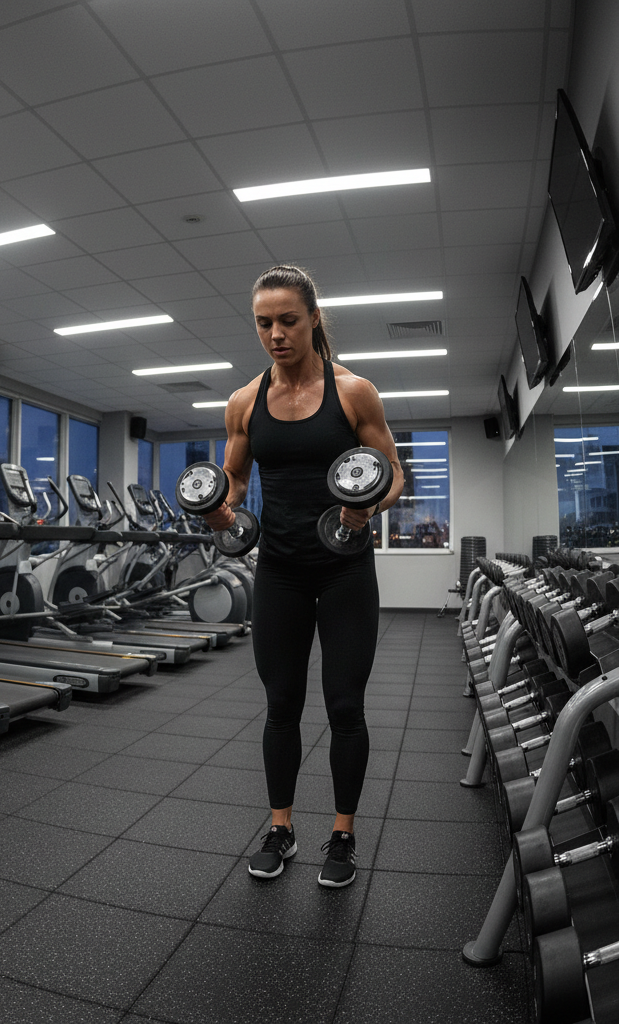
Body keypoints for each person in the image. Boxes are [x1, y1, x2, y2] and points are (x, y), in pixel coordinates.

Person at [202, 265, 404, 888]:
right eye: (264, 323)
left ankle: (342, 835)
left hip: (345, 567)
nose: (276, 334)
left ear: (314, 318)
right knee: (281, 704)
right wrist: (221, 508)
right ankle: (281, 828)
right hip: (280, 569)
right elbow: (235, 478)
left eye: (288, 320)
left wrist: (366, 507)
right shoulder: (244, 401)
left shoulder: (354, 392)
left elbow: (393, 473)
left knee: (345, 705)